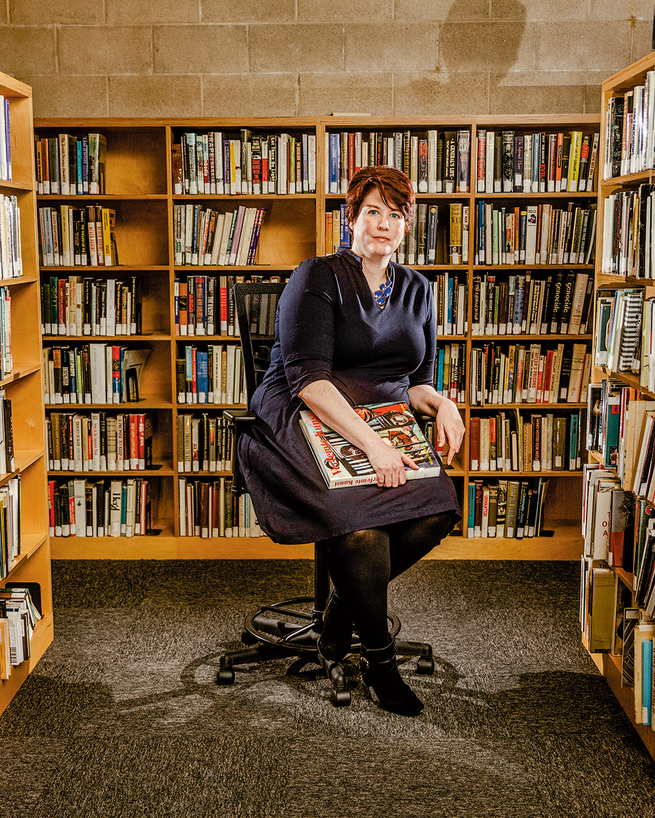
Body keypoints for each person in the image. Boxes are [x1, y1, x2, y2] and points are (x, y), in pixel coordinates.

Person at [239, 165, 465, 716]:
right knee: (359, 527)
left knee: (438, 510)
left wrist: (443, 403)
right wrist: (372, 446)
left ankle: (339, 615)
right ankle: (380, 663)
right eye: (372, 212)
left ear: (407, 227)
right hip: (303, 413)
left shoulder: (418, 290)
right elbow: (309, 378)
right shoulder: (316, 276)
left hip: (381, 417)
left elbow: (415, 382)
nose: (383, 225)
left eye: (395, 215)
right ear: (351, 219)